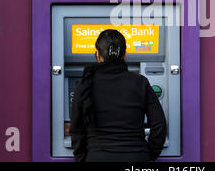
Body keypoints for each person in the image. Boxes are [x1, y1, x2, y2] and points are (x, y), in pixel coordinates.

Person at [69, 29, 167, 162]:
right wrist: (149, 154)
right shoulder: (140, 83)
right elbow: (159, 125)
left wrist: (82, 158)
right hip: (136, 157)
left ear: (97, 54)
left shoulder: (85, 85)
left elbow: (76, 130)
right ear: (125, 55)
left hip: (97, 157)